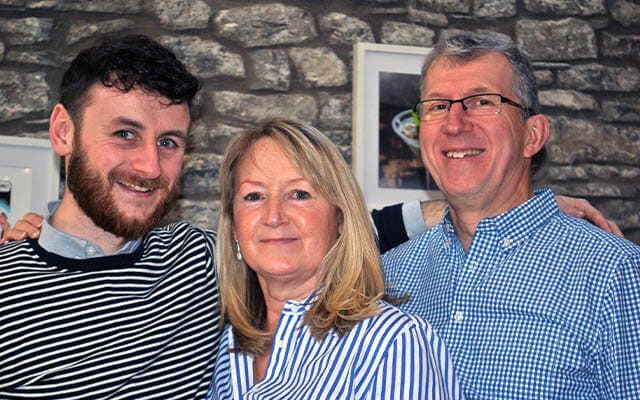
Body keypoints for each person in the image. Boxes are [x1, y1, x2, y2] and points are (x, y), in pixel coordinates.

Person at [382, 32, 640, 399]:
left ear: (532, 136)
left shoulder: (614, 274)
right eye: (438, 106)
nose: (455, 124)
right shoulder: (390, 277)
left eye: (483, 101)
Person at [0, 35, 220, 398]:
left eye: (168, 142)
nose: (150, 167)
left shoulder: (203, 261)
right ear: (62, 132)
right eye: (124, 134)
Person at [207, 118, 462, 399]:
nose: (274, 216)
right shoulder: (223, 349)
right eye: (254, 196)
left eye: (299, 194)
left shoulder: (392, 344)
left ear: (339, 217)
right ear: (233, 226)